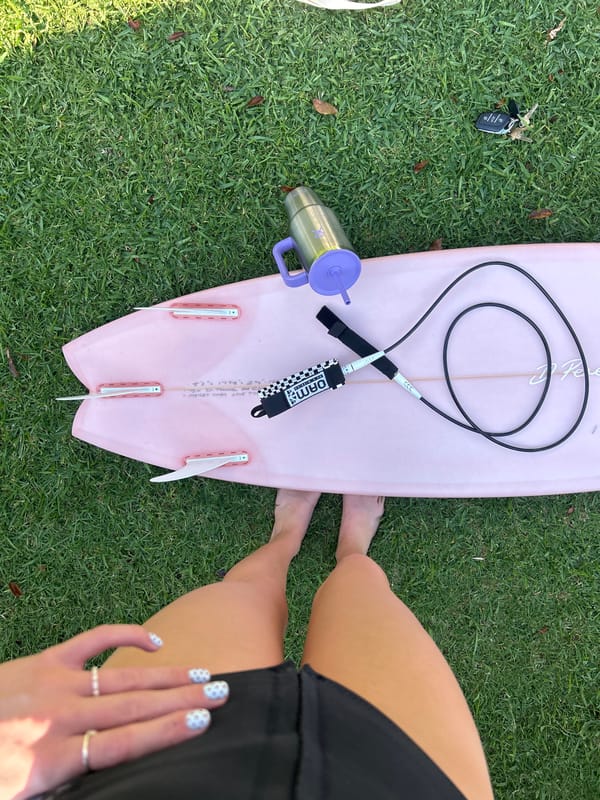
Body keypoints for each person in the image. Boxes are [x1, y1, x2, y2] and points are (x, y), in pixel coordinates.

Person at [1, 492, 494, 800]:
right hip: (394, 780)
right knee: (360, 590)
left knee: (244, 595)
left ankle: (294, 538)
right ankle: (346, 549)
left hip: (156, 766)